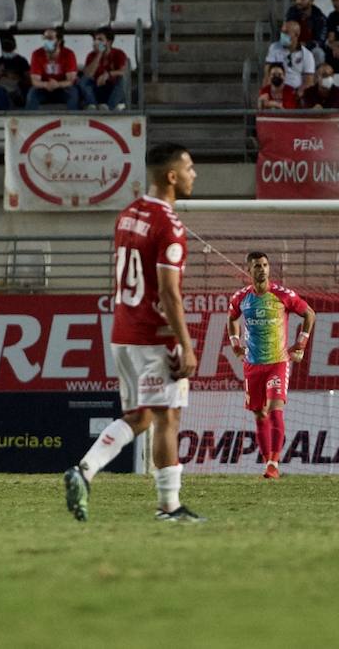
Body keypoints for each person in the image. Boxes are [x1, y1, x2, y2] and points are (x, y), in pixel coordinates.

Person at [63, 144, 203, 523]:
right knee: (167, 418)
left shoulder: (127, 215)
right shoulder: (169, 225)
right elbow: (169, 291)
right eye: (189, 167)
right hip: (153, 336)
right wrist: (186, 345)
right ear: (171, 176)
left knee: (139, 417)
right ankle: (169, 507)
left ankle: (85, 471)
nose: (194, 174)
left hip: (121, 331)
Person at [227, 252, 316, 479]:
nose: (262, 269)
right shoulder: (241, 298)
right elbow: (231, 319)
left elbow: (309, 314)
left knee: (276, 410)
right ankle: (268, 462)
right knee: (259, 414)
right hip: (253, 365)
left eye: (265, 265)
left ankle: (274, 463)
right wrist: (236, 344)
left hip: (278, 362)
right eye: (257, 266)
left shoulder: (282, 295)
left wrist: (301, 344)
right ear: (249, 270)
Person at [28, 30, 83, 110]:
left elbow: (71, 81)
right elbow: (35, 81)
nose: (46, 41)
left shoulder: (68, 54)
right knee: (32, 93)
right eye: (45, 38)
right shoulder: (37, 54)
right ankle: (30, 120)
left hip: (63, 87)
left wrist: (57, 84)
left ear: (59, 41)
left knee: (73, 93)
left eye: (50, 38)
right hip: (43, 88)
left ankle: (72, 120)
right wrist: (46, 85)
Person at [78, 28, 131, 109]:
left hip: (113, 90)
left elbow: (124, 72)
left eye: (100, 39)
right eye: (95, 39)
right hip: (97, 88)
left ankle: (109, 108)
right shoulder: (92, 55)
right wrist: (99, 54)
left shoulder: (118, 53)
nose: (96, 42)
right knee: (82, 80)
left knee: (123, 79)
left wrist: (108, 75)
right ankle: (93, 106)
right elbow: (88, 75)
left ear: (109, 42)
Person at [266, 20, 316, 91]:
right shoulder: (274, 48)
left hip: (297, 92)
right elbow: (267, 75)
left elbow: (308, 82)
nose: (282, 35)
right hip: (277, 91)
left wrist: (296, 95)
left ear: (297, 34)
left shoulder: (307, 55)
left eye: (286, 32)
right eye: (282, 32)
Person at [285, 0, 328, 67]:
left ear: (311, 0)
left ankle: (315, 77)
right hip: (293, 47)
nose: (298, 1)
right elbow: (285, 35)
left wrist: (305, 45)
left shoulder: (320, 18)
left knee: (319, 53)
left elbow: (320, 41)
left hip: (311, 48)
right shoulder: (291, 13)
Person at [0, 36, 30, 110]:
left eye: (9, 45)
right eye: (5, 45)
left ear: (14, 46)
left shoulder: (21, 61)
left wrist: (15, 76)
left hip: (16, 87)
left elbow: (28, 80)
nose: (7, 47)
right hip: (1, 85)